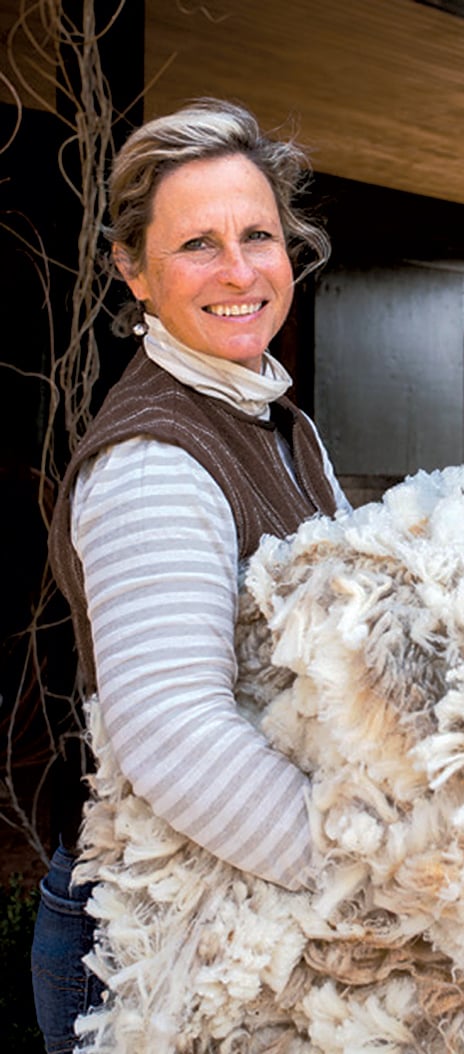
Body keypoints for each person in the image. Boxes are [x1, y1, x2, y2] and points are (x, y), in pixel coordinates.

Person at [30, 97, 351, 1054]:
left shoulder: (278, 422)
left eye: (259, 234)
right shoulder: (154, 463)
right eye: (197, 245)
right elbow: (173, 734)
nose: (241, 271)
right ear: (134, 269)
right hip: (150, 940)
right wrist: (371, 876)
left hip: (248, 906)